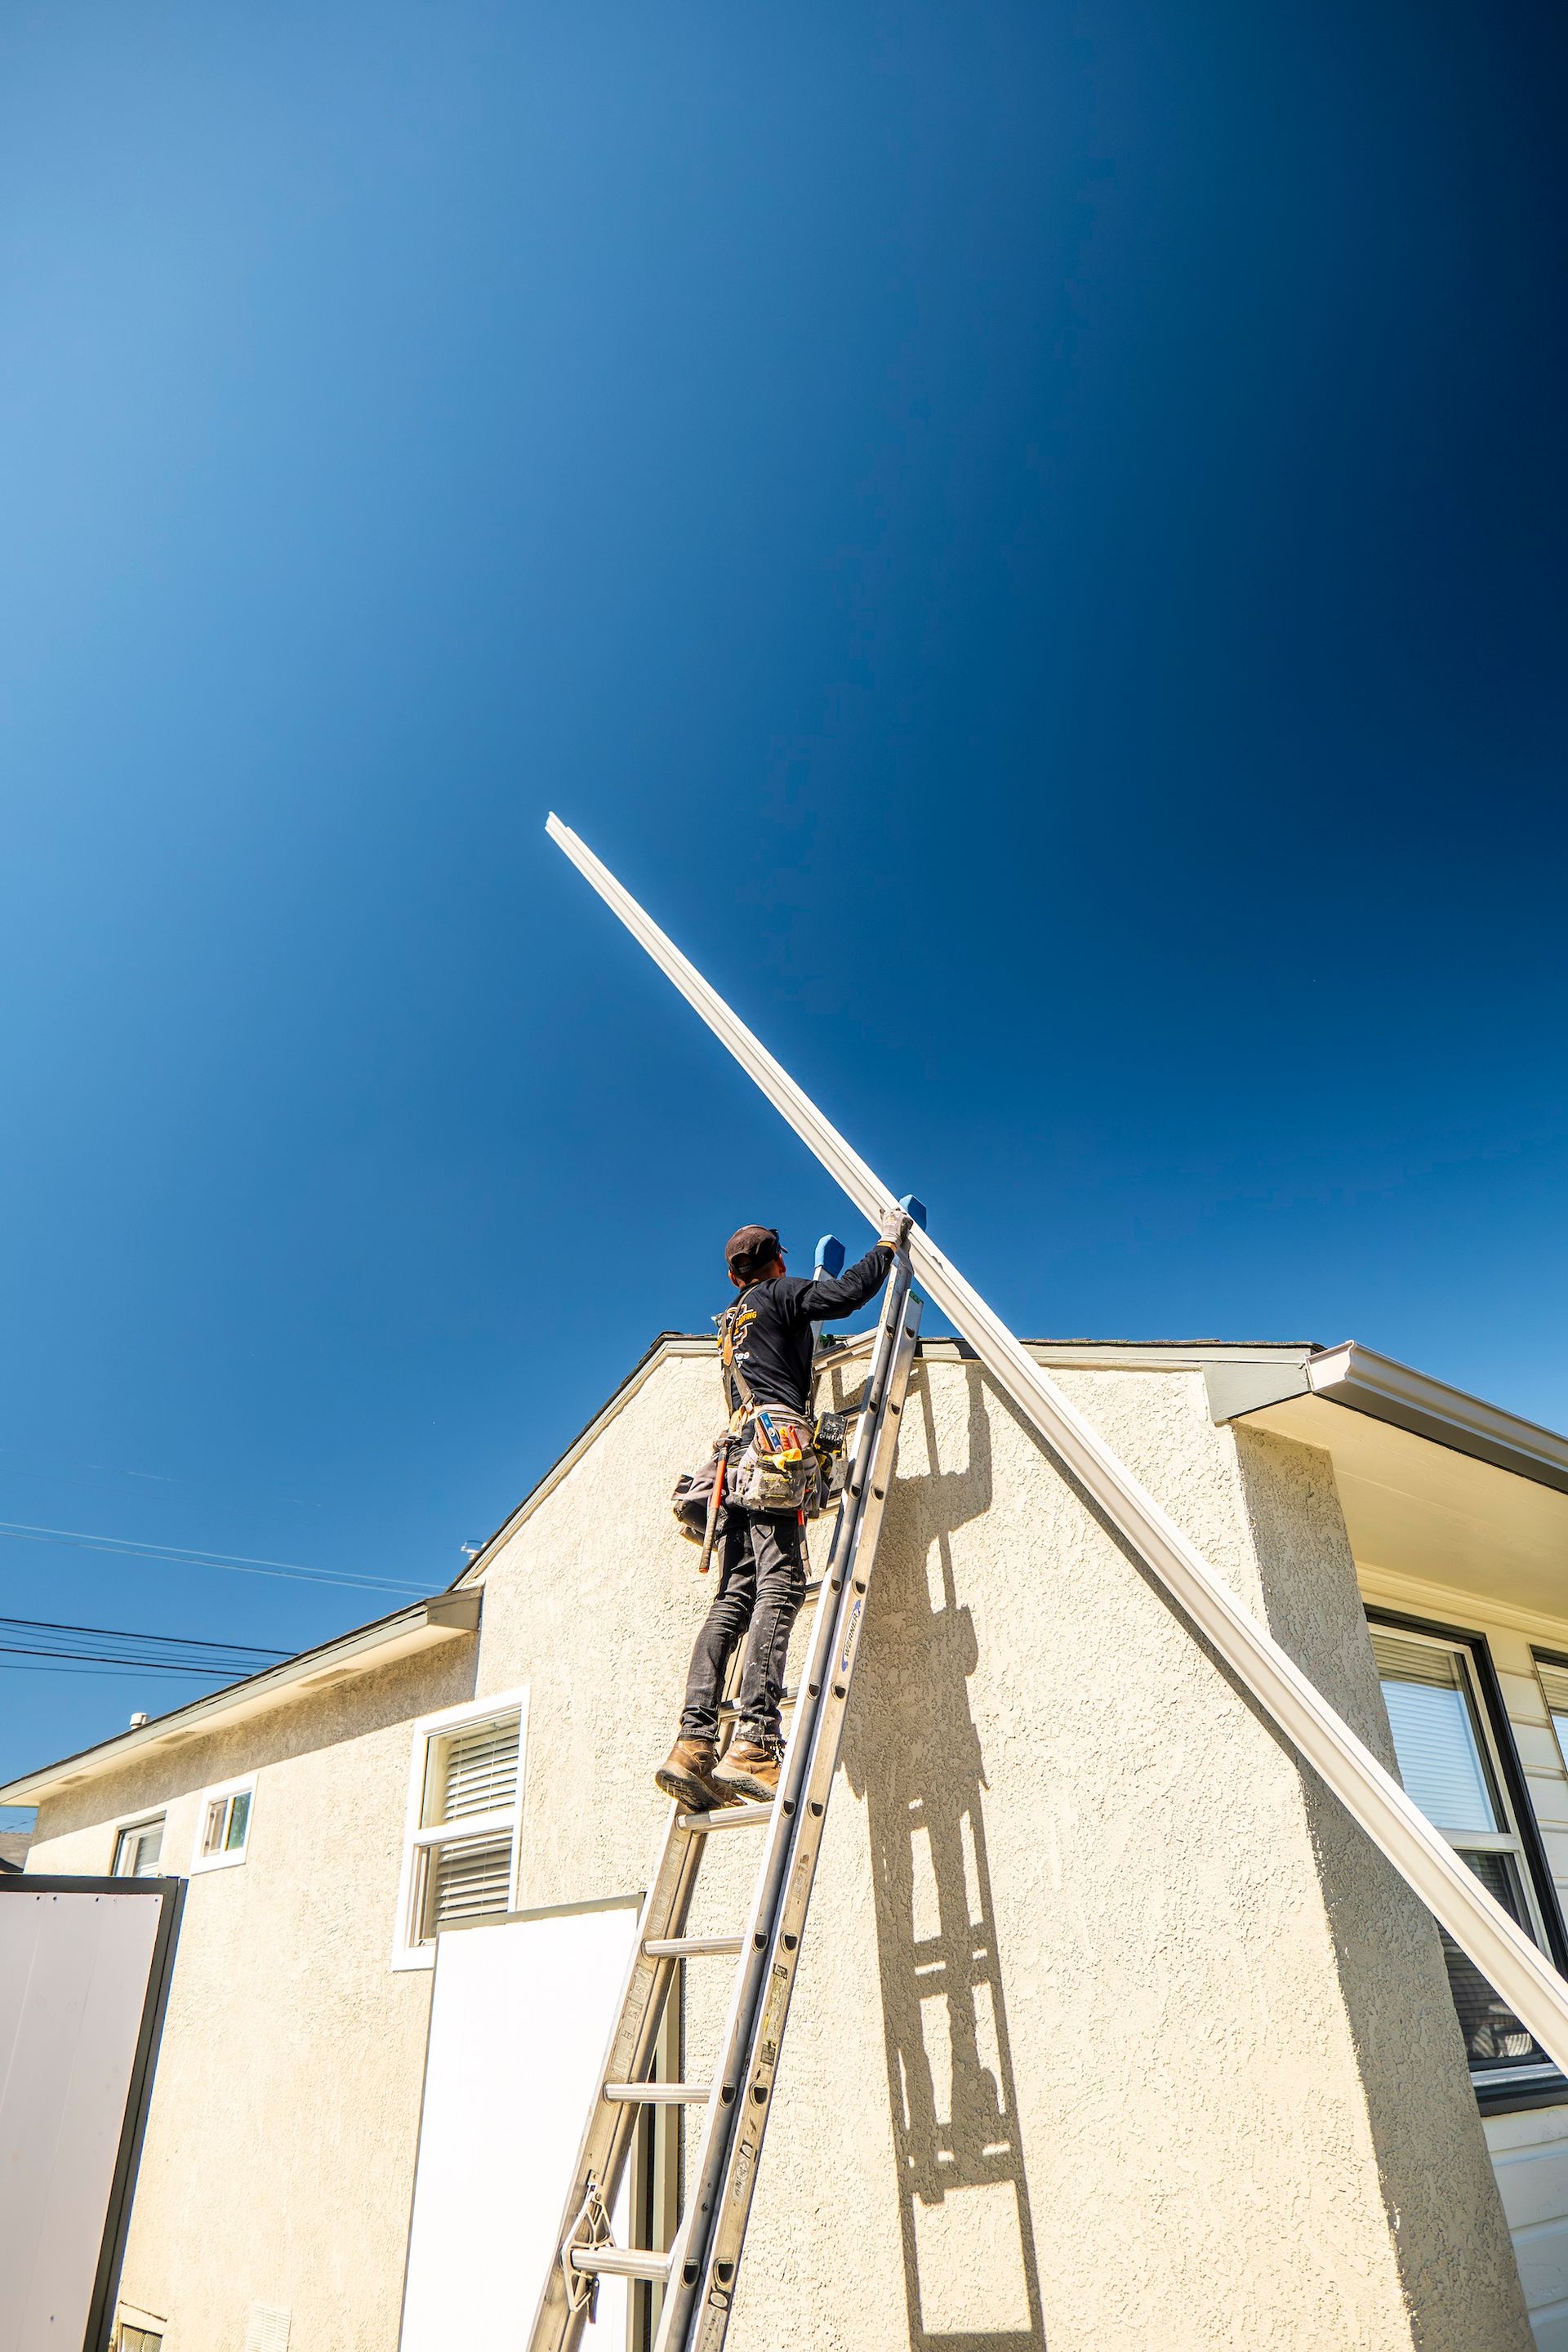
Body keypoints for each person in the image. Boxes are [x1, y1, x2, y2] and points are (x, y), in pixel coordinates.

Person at [656, 1205, 912, 1811]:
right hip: (775, 1454)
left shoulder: (732, 1321)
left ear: (732, 1276)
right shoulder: (780, 1294)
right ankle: (754, 1742)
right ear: (778, 1261)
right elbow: (848, 1294)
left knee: (735, 1596)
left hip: (736, 1461)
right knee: (783, 1584)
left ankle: (693, 1744)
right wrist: (887, 1243)